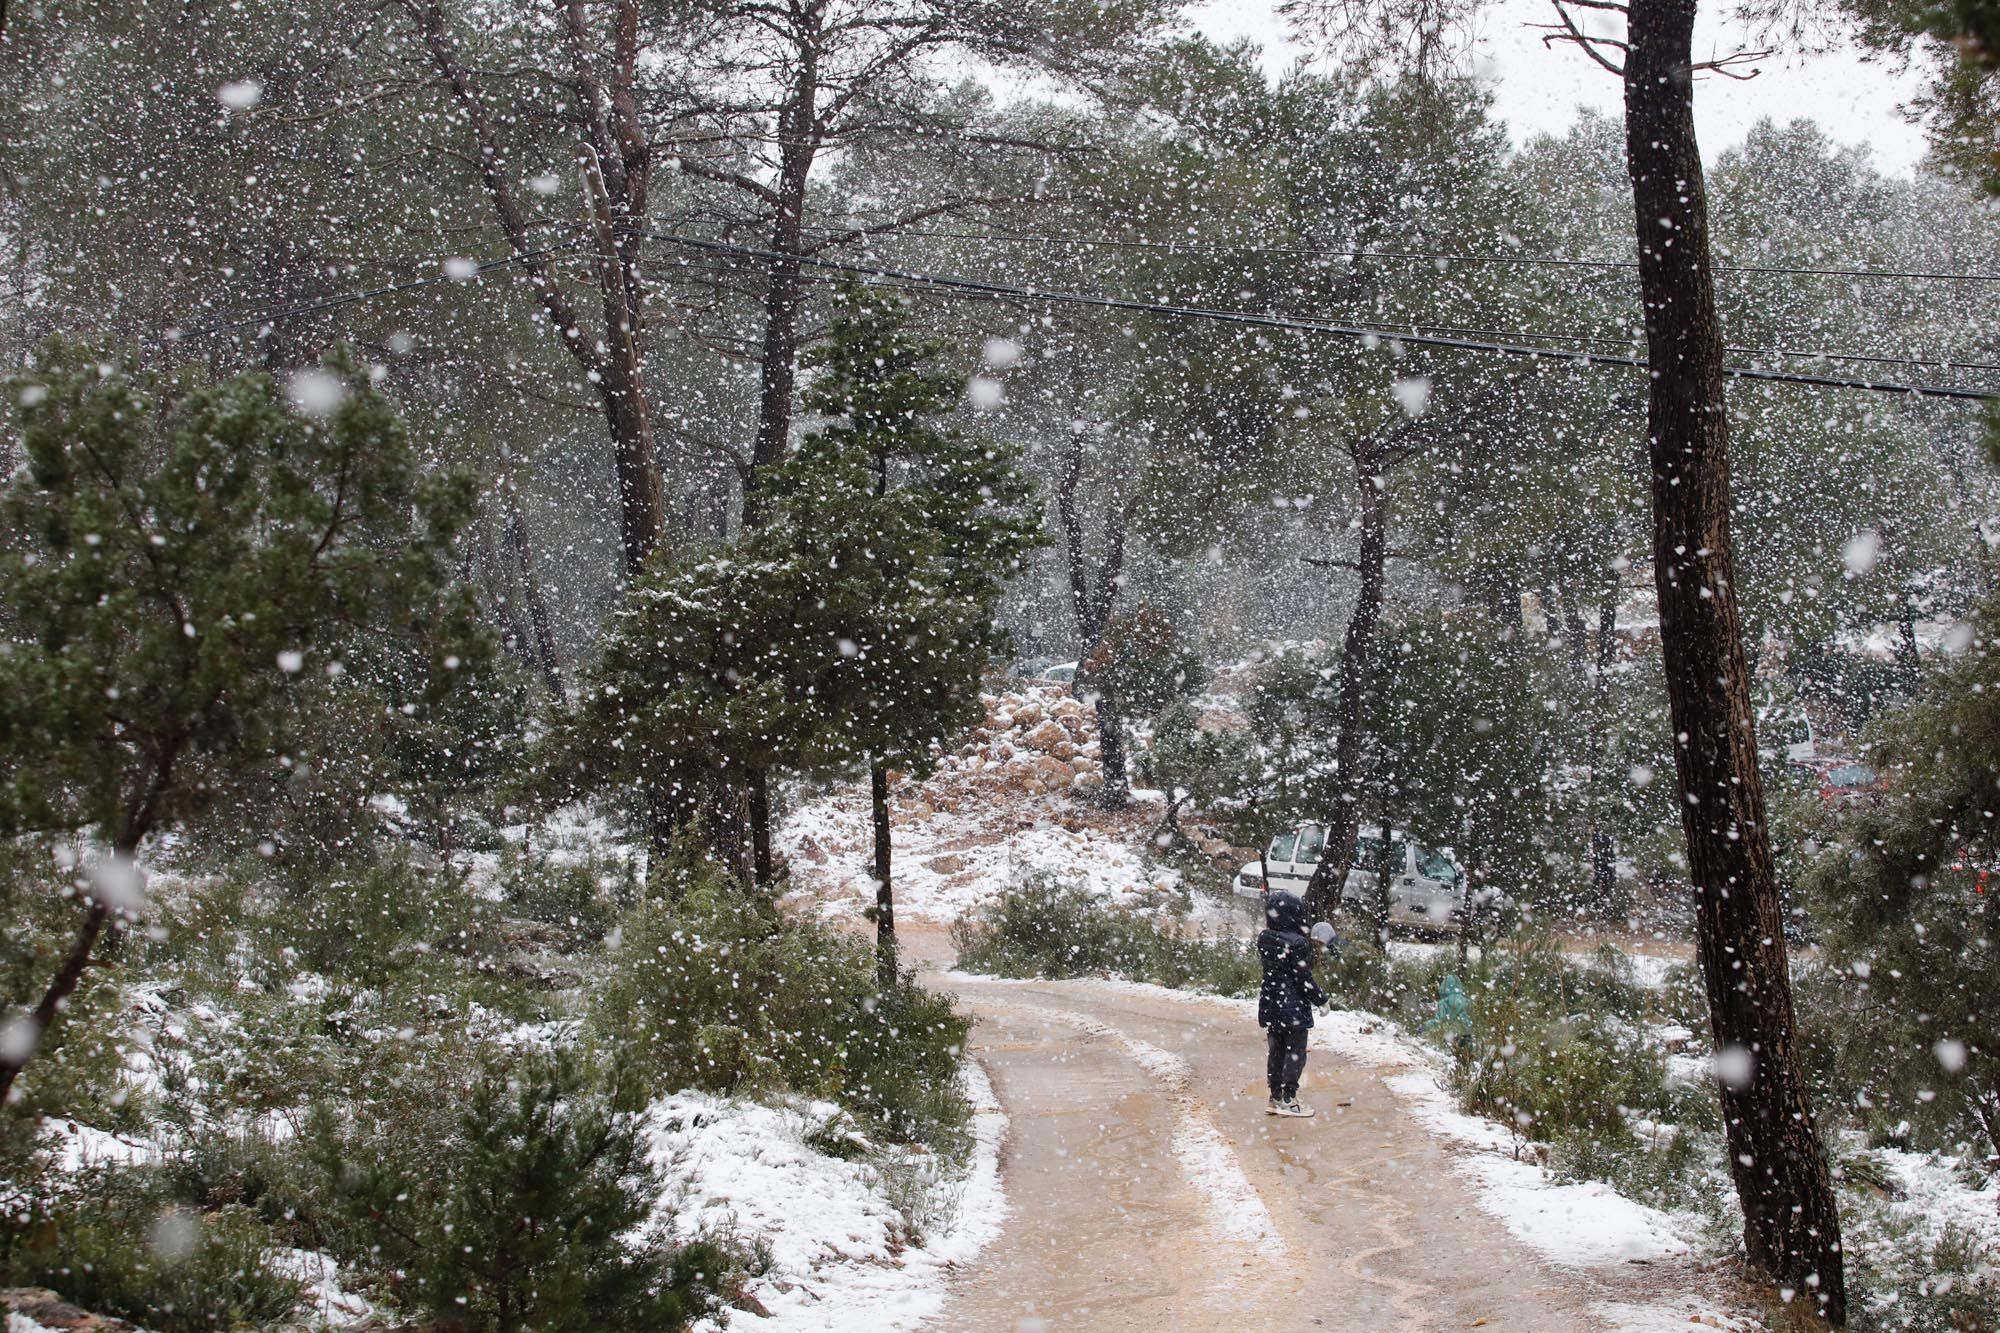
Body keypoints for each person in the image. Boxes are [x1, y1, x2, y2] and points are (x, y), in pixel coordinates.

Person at [1257, 890, 1327, 1117]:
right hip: (1293, 1007)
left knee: (1276, 1052)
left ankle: (1275, 1096)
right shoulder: (1298, 944)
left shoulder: (1265, 938)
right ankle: (1289, 1099)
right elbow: (1303, 979)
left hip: (1271, 1004)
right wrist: (1321, 999)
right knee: (1295, 1053)